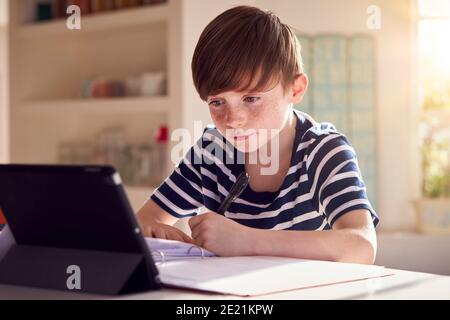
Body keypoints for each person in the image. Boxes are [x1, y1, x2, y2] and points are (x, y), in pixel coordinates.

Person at [137, 5, 379, 264]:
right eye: (217, 102)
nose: (233, 120)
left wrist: (246, 240)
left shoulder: (324, 151)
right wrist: (163, 236)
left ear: (295, 90)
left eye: (251, 98)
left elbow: (361, 245)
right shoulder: (212, 151)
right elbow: (144, 220)